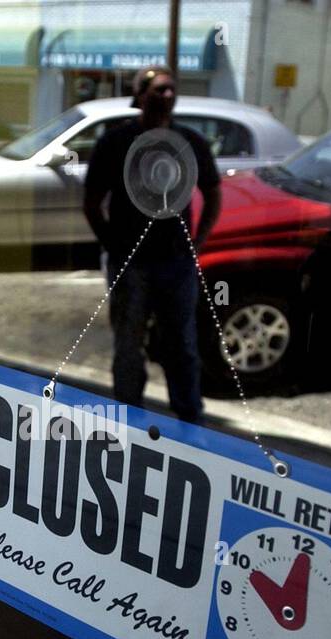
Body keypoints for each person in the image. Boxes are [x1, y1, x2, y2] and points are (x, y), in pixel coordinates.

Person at [83, 65, 222, 424]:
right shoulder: (115, 142)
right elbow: (92, 201)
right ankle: (128, 422)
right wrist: (113, 247)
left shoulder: (190, 142)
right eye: (159, 90)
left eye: (172, 90)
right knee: (128, 348)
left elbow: (213, 194)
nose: (168, 97)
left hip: (176, 263)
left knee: (182, 347)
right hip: (131, 264)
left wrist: (198, 242)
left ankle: (190, 423)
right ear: (141, 96)